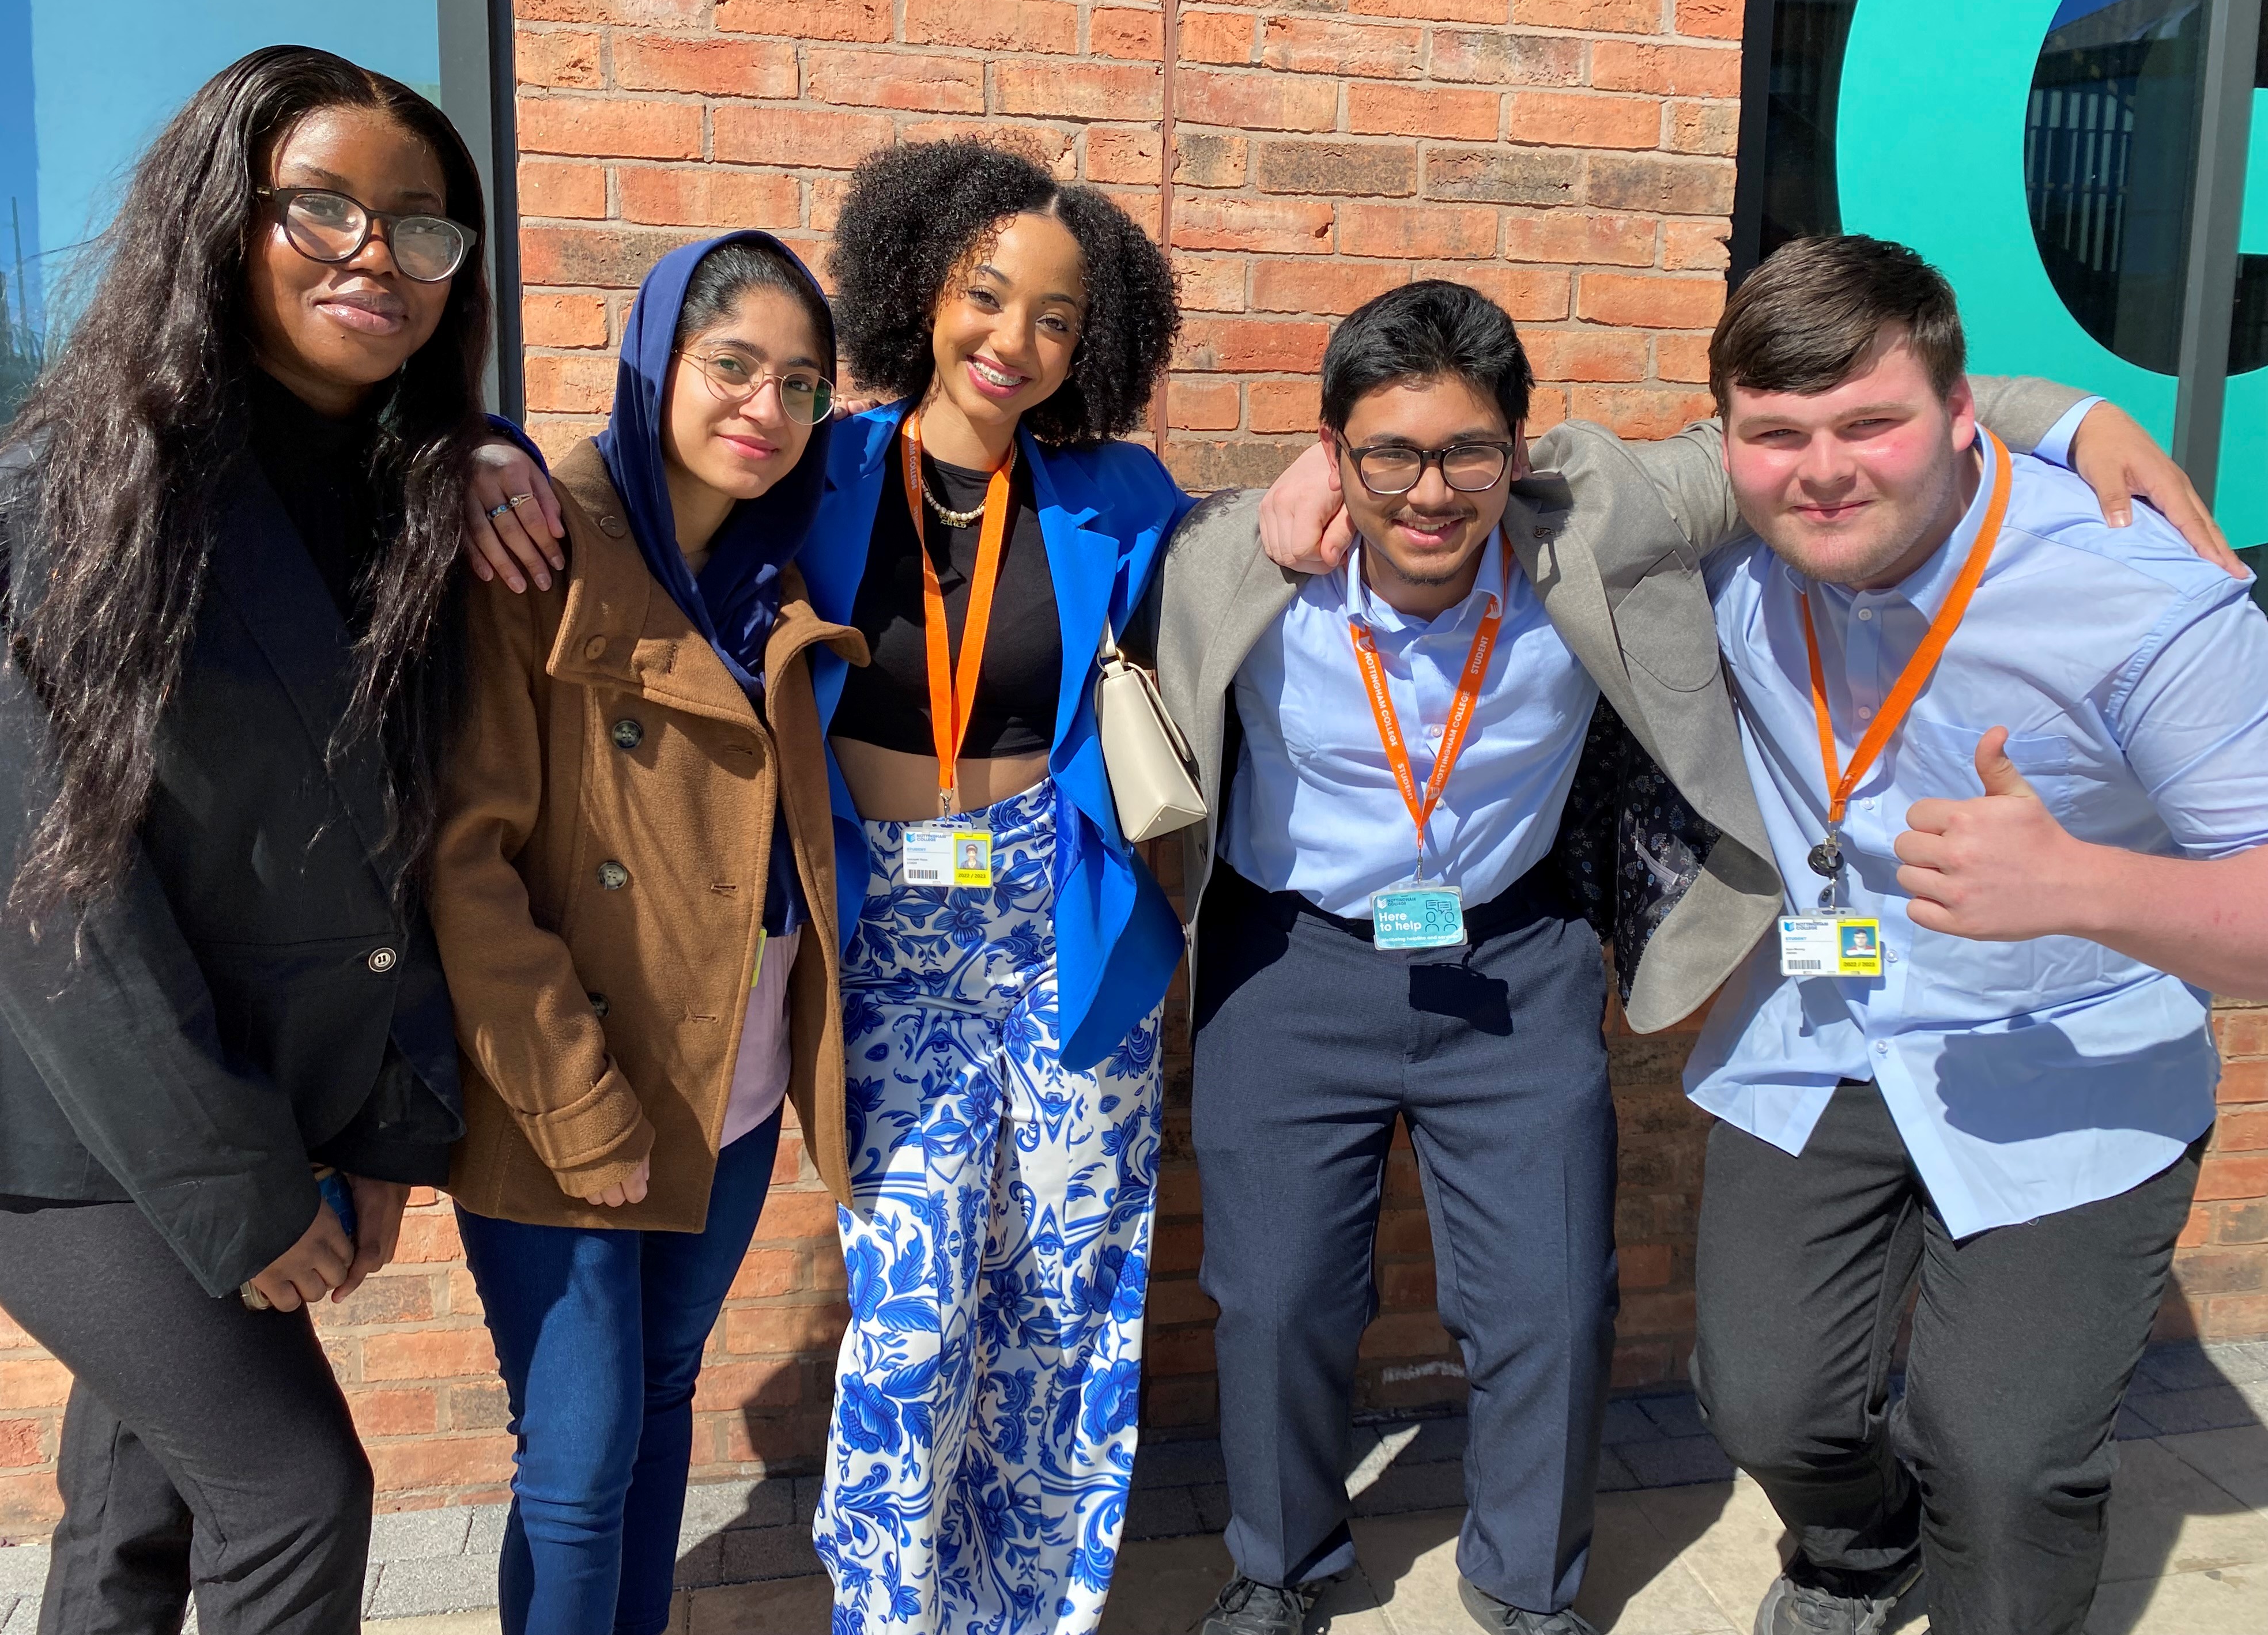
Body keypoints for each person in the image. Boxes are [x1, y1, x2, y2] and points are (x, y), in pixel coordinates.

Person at [1184, 286, 2229, 1635]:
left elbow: (1824, 433)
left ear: (1523, 449)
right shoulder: (1224, 559)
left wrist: (2072, 416)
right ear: (1329, 452)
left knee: (1553, 1305)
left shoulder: (1597, 519)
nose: (1430, 491)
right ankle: (1281, 1568)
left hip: (1513, 963)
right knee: (1274, 1304)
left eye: (1468, 453)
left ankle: (1529, 1590)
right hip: (1294, 966)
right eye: (1387, 453)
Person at [0, 46, 491, 1632]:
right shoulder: (57, 515)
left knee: (135, 1509)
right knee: (291, 1493)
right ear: (218, 220)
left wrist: (390, 1125)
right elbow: (51, 918)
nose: (377, 251)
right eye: (320, 207)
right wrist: (246, 1192)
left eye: (423, 224)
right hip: (75, 1142)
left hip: (257, 1106)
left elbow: (386, 840)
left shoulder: (399, 504)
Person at [1681, 235, 2268, 1635]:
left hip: (2068, 1058)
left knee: (2003, 1466)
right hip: (1821, 1030)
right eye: (1777, 435)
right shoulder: (1727, 542)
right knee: (1763, 1401)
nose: (1822, 470)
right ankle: (1861, 1560)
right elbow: (1483, 482)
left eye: (1871, 424)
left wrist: (2084, 887)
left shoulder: (2148, 597)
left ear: (1953, 418)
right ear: (1727, 441)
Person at [430, 232, 861, 1635]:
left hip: (724, 1082)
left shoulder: (775, 570)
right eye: (730, 364)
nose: (765, 408)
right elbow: (466, 862)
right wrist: (573, 1101)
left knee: (662, 1399)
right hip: (569, 1079)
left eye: (801, 384)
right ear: (654, 360)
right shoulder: (535, 542)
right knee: (575, 1461)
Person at [803, 138, 1187, 1635]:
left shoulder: (1118, 495)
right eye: (988, 295)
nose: (1014, 343)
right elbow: (651, 491)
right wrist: (508, 464)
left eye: (1057, 319)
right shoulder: (824, 467)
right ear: (921, 285)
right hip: (890, 948)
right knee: (909, 1329)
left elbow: (1254, 583)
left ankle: (1037, 1615)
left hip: (1063, 934)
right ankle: (891, 1617)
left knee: (1067, 1313)